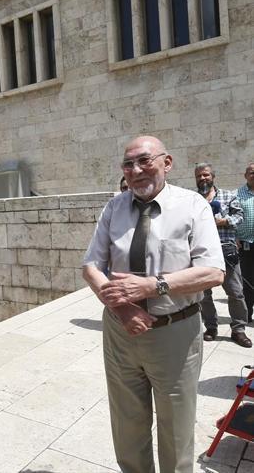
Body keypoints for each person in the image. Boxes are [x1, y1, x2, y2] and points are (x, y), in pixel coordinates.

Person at [82, 136, 224, 473]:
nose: (136, 170)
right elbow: (91, 266)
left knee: (175, 428)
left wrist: (153, 286)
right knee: (127, 425)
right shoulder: (114, 207)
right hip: (120, 332)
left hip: (174, 332)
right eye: (128, 164)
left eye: (144, 161)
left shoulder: (193, 206)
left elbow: (213, 272)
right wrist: (123, 308)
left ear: (167, 162)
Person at [194, 163, 250, 346]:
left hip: (226, 250)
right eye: (199, 176)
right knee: (204, 294)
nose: (203, 178)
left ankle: (239, 329)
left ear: (213, 176)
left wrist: (225, 221)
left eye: (206, 175)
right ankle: (211, 327)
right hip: (201, 254)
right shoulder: (191, 199)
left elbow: (240, 215)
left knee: (236, 292)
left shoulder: (228, 195)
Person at [237, 163, 254, 321]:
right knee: (247, 280)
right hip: (246, 243)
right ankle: (248, 314)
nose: (253, 175)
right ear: (245, 175)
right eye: (251, 172)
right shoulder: (238, 194)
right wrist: (235, 237)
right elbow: (234, 216)